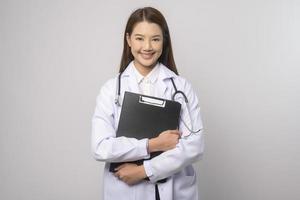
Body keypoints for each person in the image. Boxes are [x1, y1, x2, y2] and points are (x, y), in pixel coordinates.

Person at [91, 7, 204, 200]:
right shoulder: (111, 90)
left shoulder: (181, 88)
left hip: (173, 189)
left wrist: (144, 170)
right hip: (126, 190)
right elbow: (100, 147)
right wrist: (152, 145)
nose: (147, 46)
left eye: (155, 39)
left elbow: (195, 146)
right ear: (128, 40)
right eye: (139, 38)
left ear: (164, 41)